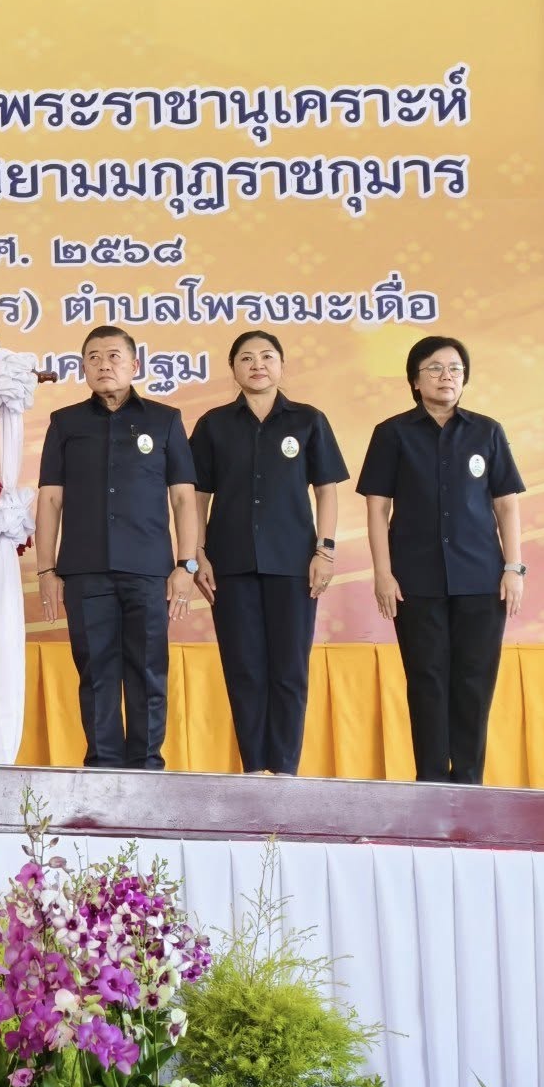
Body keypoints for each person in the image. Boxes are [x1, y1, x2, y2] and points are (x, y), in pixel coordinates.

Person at [358, 335, 525, 785]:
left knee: (474, 684)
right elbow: (377, 508)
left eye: (455, 368)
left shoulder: (486, 431)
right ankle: (430, 784)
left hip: (481, 579)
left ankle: (469, 783)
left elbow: (506, 504)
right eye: (434, 367)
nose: (446, 375)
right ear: (415, 379)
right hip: (415, 581)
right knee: (427, 682)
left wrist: (513, 569)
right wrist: (383, 573)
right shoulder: (392, 433)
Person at [35, 326, 202, 770]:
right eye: (93, 357)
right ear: (84, 367)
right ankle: (102, 766)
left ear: (135, 365)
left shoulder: (165, 420)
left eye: (113, 356)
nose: (104, 364)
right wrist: (46, 571)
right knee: (96, 672)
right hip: (84, 571)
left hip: (149, 570)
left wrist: (186, 563)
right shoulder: (65, 423)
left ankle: (148, 765)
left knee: (147, 671)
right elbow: (51, 499)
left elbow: (184, 497)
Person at [189, 331, 348, 776]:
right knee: (244, 670)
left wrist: (326, 550)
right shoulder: (214, 424)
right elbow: (197, 495)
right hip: (230, 564)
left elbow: (327, 491)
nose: (257, 364)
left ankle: (285, 772)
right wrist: (197, 552)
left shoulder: (308, 420)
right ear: (234, 369)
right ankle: (255, 770)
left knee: (289, 671)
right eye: (246, 358)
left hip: (295, 563)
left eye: (266, 357)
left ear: (280, 365)